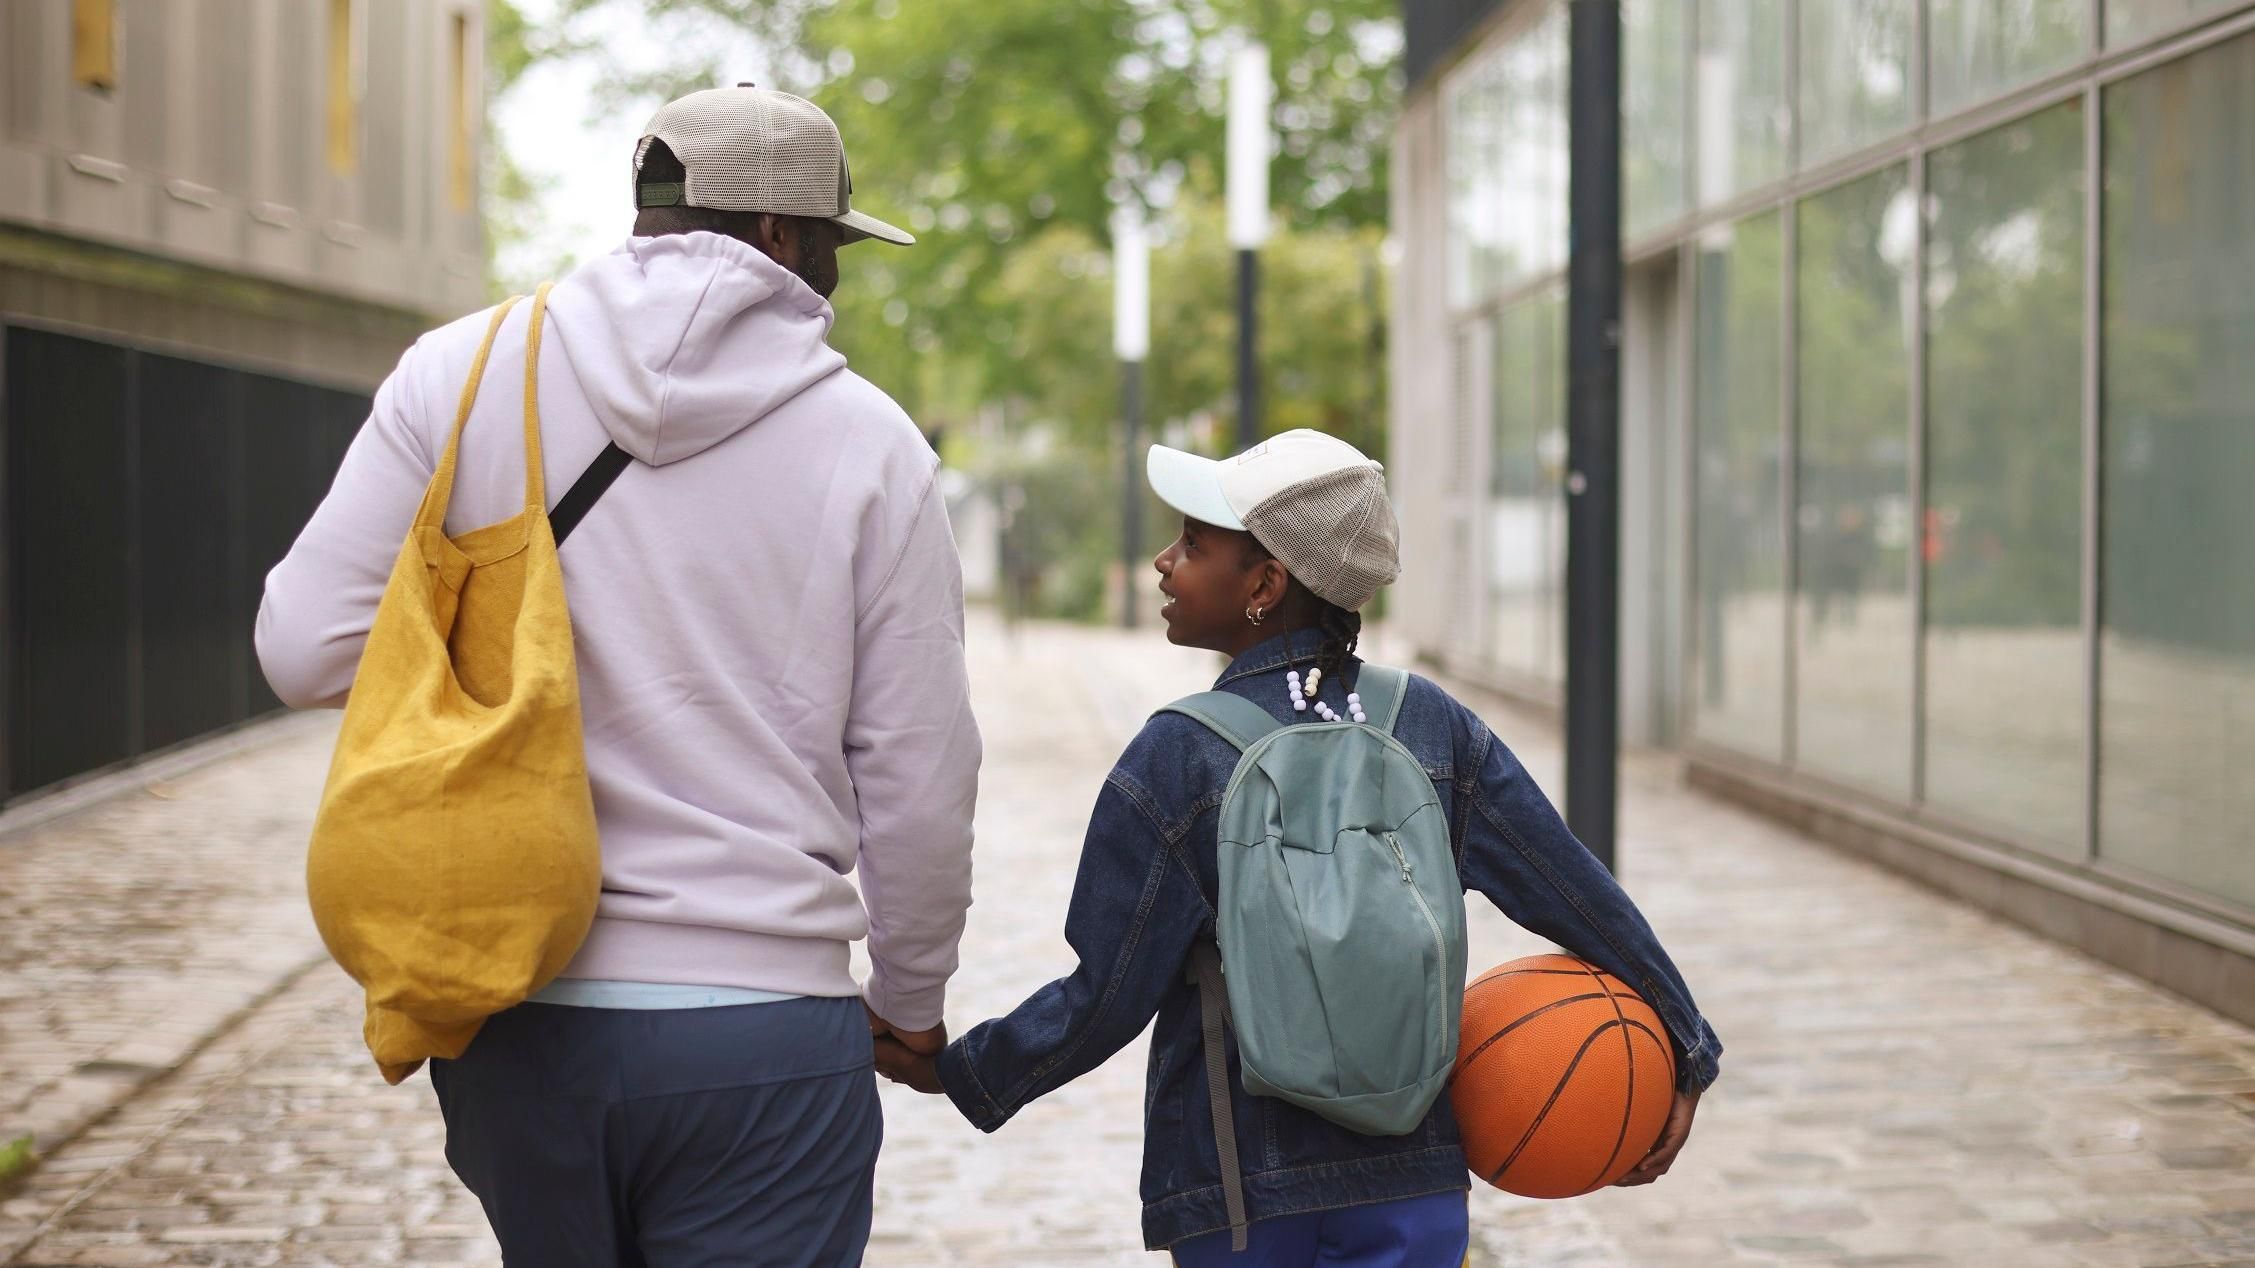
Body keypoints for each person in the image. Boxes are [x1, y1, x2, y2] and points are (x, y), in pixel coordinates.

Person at [256, 84, 980, 1267]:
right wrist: (910, 995)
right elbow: (919, 769)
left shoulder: (460, 373)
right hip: (763, 1028)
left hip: (518, 1006)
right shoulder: (875, 445)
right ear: (782, 236)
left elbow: (302, 647)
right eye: (835, 246)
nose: (833, 279)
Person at [874, 430, 1721, 1266]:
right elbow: (1571, 892)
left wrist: (961, 1071)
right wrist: (1682, 1044)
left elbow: (1105, 996)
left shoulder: (1176, 754)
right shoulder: (1432, 726)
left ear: (1265, 584)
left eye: (1194, 544)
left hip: (1240, 1193)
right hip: (1413, 1184)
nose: (1164, 562)